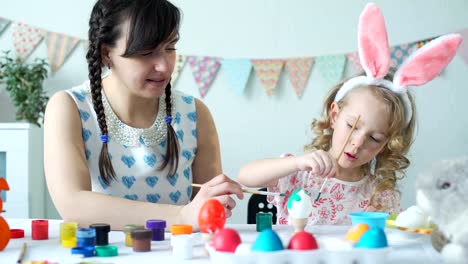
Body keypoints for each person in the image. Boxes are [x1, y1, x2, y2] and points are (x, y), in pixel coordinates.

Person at [238, 3, 461, 225]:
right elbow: (245, 176)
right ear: (334, 116)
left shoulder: (381, 196)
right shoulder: (299, 173)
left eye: (374, 138)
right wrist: (296, 163)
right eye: (352, 126)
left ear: (387, 145)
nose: (357, 143)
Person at [44, 0, 243, 230]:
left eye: (170, 48)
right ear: (106, 53)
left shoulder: (195, 114)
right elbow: (73, 204)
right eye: (147, 52)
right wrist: (181, 216)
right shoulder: (70, 107)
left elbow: (207, 210)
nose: (164, 66)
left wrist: (217, 201)